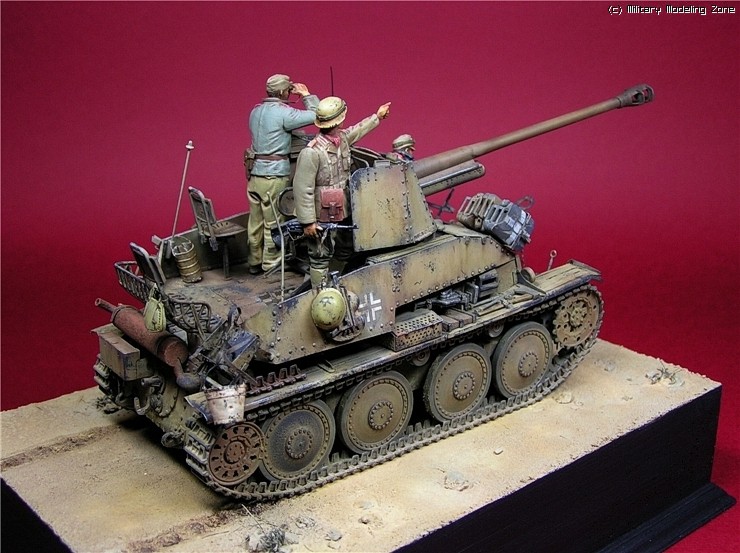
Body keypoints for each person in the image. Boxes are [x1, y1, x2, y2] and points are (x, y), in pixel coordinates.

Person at [293, 96, 391, 286]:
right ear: (338, 120)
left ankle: (334, 281)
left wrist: (377, 117)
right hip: (322, 211)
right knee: (320, 254)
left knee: (345, 246)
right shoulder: (311, 152)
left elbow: (359, 129)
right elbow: (302, 188)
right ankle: (319, 292)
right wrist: (308, 222)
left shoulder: (343, 139)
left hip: (343, 206)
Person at [246, 74, 319, 274]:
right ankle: (271, 263)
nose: (289, 92)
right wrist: (306, 95)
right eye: (288, 90)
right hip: (273, 175)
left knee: (255, 222)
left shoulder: (255, 111)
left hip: (254, 174)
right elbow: (319, 115)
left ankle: (254, 261)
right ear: (282, 92)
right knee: (274, 223)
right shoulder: (284, 113)